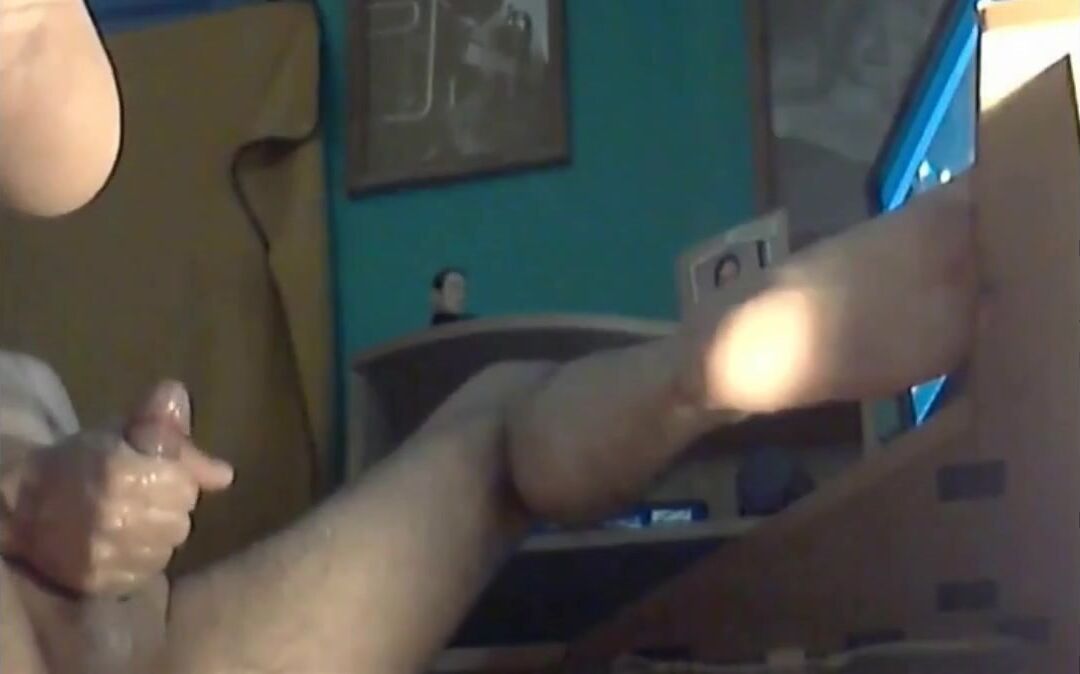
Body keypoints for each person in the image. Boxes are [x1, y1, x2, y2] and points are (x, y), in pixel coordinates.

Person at [0, 2, 983, 672]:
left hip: (140, 643)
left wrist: (52, 487)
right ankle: (709, 364)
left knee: (504, 426)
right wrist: (28, 496)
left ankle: (711, 363)